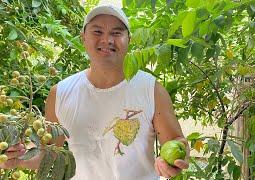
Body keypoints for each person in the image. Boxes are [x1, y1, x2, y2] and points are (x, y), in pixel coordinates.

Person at [0, 3, 189, 180]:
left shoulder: (151, 89)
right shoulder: (60, 93)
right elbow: (49, 153)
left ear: (128, 40)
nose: (107, 39)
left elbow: (175, 141)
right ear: (83, 37)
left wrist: (173, 159)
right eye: (97, 31)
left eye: (116, 32)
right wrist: (18, 157)